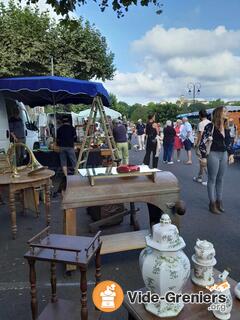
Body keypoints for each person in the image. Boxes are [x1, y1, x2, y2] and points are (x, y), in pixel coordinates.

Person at [199, 106, 234, 214]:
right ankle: (212, 203)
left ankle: (219, 202)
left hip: (223, 154)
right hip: (213, 154)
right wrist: (204, 157)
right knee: (212, 179)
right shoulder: (210, 126)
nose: (227, 113)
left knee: (221, 179)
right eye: (225, 111)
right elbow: (202, 143)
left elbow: (228, 142)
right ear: (219, 113)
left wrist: (231, 154)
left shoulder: (227, 126)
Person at [193, 109, 211, 184]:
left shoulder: (201, 124)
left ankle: (210, 179)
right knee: (204, 161)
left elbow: (200, 135)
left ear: (200, 115)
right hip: (209, 144)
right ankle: (199, 177)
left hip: (202, 145)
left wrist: (196, 144)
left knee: (202, 161)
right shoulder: (210, 122)